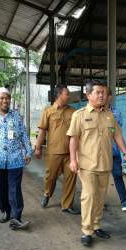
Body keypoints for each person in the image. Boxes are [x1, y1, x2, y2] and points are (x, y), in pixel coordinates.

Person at [67, 80, 126, 247]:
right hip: (87, 165)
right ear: (88, 95)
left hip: (105, 164)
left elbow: (118, 136)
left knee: (100, 197)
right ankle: (86, 231)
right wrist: (73, 160)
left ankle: (96, 225)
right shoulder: (79, 115)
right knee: (89, 196)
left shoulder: (110, 115)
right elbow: (73, 139)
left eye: (103, 92)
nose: (102, 95)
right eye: (98, 92)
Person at [0, 87, 33, 231]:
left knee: (14, 190)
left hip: (15, 160)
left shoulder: (16, 116)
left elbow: (23, 135)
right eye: (2, 98)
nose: (5, 100)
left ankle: (16, 217)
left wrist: (28, 151)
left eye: (7, 98)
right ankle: (6, 211)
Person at [34, 84, 79, 215]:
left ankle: (67, 205)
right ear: (59, 95)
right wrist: (37, 148)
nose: (69, 96)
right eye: (67, 93)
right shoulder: (48, 111)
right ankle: (47, 193)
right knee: (50, 177)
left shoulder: (73, 112)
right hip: (53, 152)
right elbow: (42, 131)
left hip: (70, 153)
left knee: (70, 178)